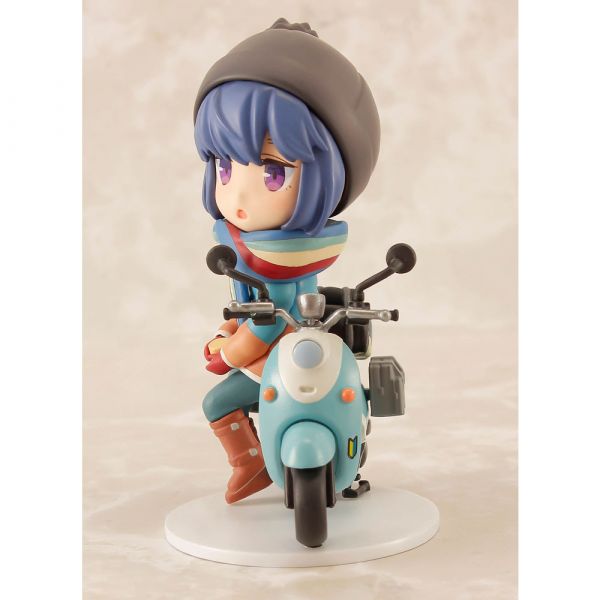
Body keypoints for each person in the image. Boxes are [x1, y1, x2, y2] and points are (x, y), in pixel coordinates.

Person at [193, 18, 380, 503]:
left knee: (217, 402)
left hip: (283, 363)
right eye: (225, 166)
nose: (239, 195)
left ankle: (249, 462)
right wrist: (226, 332)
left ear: (328, 177)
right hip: (278, 358)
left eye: (273, 172)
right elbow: (248, 311)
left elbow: (269, 322)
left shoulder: (279, 261)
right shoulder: (252, 252)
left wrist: (228, 356)